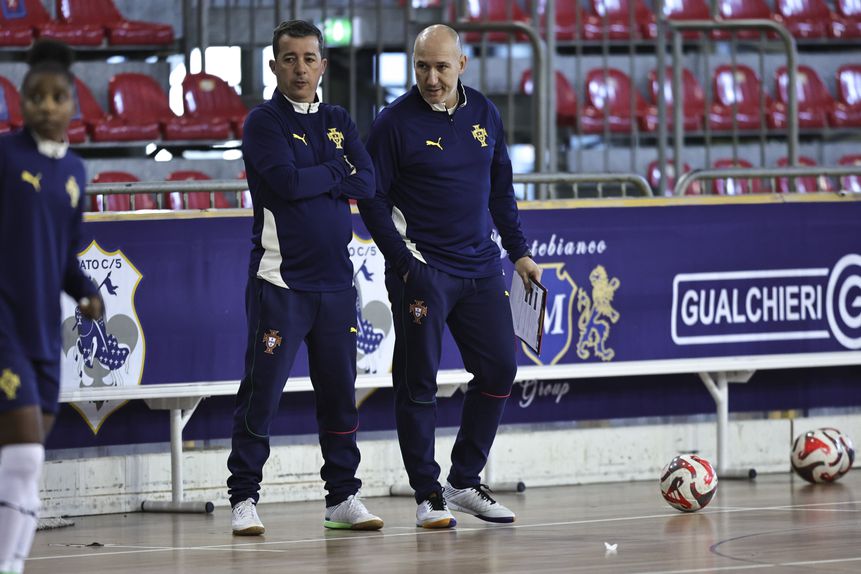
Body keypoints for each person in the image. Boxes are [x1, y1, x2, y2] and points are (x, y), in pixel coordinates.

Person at [357, 24, 541, 529]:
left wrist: (519, 253)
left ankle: (463, 481)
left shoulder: (484, 112)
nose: (431, 77)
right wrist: (401, 259)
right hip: (424, 270)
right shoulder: (392, 124)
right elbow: (371, 199)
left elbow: (500, 189)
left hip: (482, 267)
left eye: (441, 66)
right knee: (418, 381)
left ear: (462, 64)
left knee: (500, 370)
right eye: (422, 67)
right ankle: (427, 494)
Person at [227, 19, 383, 536]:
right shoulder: (263, 123)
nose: (300, 68)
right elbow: (288, 185)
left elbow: (370, 179)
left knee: (339, 394)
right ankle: (244, 497)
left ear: (323, 64)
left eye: (309, 58)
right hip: (280, 282)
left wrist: (333, 173)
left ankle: (342, 497)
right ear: (274, 65)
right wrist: (337, 174)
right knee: (262, 394)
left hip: (337, 285)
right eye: (289, 59)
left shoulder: (339, 118)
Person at [0, 40, 103, 574]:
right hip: (4, 328)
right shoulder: (4, 157)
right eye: (34, 96)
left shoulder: (76, 173)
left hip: (42, 332)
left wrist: (85, 291)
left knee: (20, 461)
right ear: (20, 102)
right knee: (23, 457)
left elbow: (66, 251)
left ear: (72, 104)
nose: (45, 105)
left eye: (56, 96)